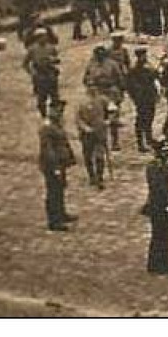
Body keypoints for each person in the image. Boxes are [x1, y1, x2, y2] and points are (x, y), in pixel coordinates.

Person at [38, 102, 77, 232]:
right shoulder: (47, 127)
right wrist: (55, 167)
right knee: (53, 191)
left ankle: (61, 213)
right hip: (52, 165)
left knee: (60, 189)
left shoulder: (56, 125)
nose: (61, 114)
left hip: (61, 163)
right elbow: (48, 150)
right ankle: (54, 221)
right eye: (58, 111)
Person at [143, 140, 168, 274]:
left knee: (167, 234)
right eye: (164, 151)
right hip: (158, 205)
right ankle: (157, 263)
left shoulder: (163, 166)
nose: (167, 153)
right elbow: (158, 185)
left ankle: (162, 261)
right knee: (160, 234)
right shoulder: (154, 167)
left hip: (164, 204)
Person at [125, 48, 161, 152]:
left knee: (150, 118)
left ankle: (149, 138)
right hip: (141, 98)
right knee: (141, 120)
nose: (144, 57)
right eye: (143, 56)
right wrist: (136, 96)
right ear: (138, 56)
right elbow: (129, 85)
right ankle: (140, 143)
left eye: (145, 55)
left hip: (150, 96)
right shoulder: (134, 70)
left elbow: (155, 76)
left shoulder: (148, 66)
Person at [76, 89, 111, 189]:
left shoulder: (103, 100)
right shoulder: (81, 103)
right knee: (88, 155)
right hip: (87, 135)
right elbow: (78, 118)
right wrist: (85, 128)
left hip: (100, 132)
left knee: (100, 155)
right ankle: (91, 176)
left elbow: (113, 110)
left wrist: (108, 121)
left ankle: (100, 177)